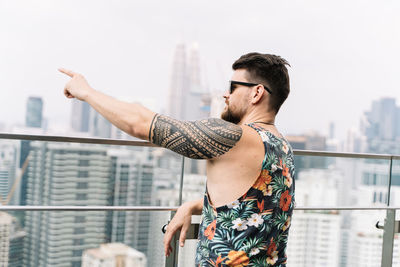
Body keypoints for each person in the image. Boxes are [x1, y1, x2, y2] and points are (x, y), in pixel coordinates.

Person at [60, 52, 295, 266]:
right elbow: (255, 208)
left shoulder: (235, 137)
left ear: (256, 92)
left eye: (233, 87)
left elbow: (141, 124)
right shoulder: (282, 147)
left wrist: (86, 92)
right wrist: (195, 205)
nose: (226, 94)